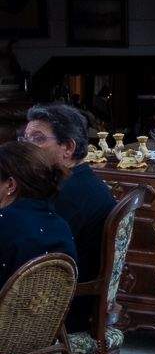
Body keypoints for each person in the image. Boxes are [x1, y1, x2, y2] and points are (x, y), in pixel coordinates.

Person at [0, 140, 77, 354]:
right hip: (47, 333)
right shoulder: (59, 222)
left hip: (6, 339)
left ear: (11, 184)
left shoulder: (5, 222)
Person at [24, 102, 114, 286]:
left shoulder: (73, 193)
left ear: (68, 147)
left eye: (38, 138)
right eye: (25, 139)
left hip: (61, 301)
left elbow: (37, 255)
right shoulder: (77, 180)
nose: (26, 147)